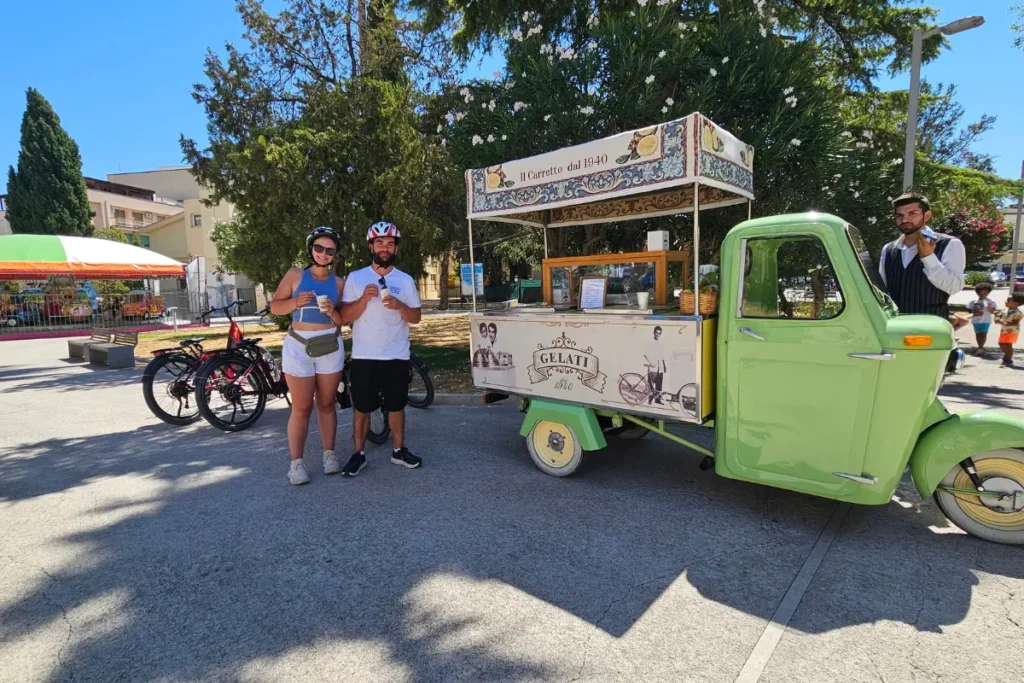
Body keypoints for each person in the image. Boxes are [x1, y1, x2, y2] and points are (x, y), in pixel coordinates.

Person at [339, 221, 423, 476]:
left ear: (395, 248)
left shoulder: (405, 280)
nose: (384, 248)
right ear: (371, 246)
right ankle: (358, 453)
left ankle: (399, 450)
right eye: (379, 243)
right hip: (365, 356)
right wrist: (364, 298)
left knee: (397, 406)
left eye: (389, 244)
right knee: (363, 408)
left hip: (396, 355)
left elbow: (416, 317)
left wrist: (400, 305)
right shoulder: (356, 278)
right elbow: (344, 317)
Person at [269, 226, 347, 486]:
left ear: (335, 254)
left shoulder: (338, 283)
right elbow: (275, 305)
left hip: (329, 346)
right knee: (301, 407)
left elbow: (344, 318)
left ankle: (329, 455)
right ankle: (296, 464)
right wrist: (294, 303)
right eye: (319, 248)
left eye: (329, 250)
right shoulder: (295, 275)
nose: (324, 254)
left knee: (326, 403)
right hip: (299, 345)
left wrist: (331, 312)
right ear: (311, 249)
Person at [878, 193, 966, 325]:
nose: (904, 220)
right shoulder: (889, 250)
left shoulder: (949, 244)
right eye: (899, 215)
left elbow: (954, 287)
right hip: (894, 328)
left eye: (912, 213)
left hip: (931, 329)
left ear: (926, 215)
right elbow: (882, 291)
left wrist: (929, 258)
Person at [968, 283, 997, 356]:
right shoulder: (974, 301)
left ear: (988, 293)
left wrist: (990, 307)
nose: (983, 294)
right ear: (977, 293)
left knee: (983, 333)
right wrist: (974, 312)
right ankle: (979, 346)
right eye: (980, 293)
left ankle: (981, 347)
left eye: (985, 293)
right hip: (976, 321)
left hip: (986, 320)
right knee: (978, 334)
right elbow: (969, 310)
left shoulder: (991, 300)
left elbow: (993, 311)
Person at [997, 293, 1024, 368]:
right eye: (1013, 300)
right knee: (1002, 344)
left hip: (1012, 331)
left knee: (1007, 345)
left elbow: (1015, 323)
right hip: (1004, 331)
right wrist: (997, 317)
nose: (1015, 302)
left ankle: (1008, 359)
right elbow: (999, 317)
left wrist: (1003, 323)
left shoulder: (1017, 313)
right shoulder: (1006, 310)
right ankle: (1007, 357)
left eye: (1017, 301)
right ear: (1007, 303)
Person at [646, 326, 666, 405]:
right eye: (656, 333)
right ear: (654, 333)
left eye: (659, 333)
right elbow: (645, 354)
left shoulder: (661, 344)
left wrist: (664, 366)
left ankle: (657, 400)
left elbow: (662, 356)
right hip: (653, 368)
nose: (657, 335)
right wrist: (651, 362)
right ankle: (650, 399)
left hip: (660, 367)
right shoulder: (650, 343)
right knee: (651, 385)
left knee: (659, 385)